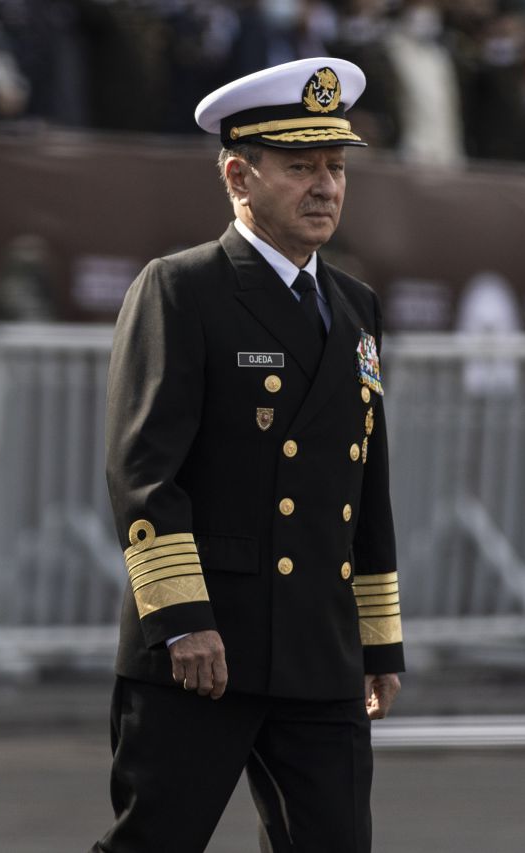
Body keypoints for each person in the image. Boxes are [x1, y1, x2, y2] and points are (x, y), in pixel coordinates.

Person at [91, 57, 404, 853]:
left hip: (318, 651)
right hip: (207, 650)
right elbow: (144, 473)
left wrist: (378, 639)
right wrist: (183, 621)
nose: (326, 186)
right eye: (301, 168)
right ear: (238, 173)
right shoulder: (182, 288)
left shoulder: (355, 304)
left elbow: (365, 482)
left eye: (335, 167)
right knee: (154, 843)